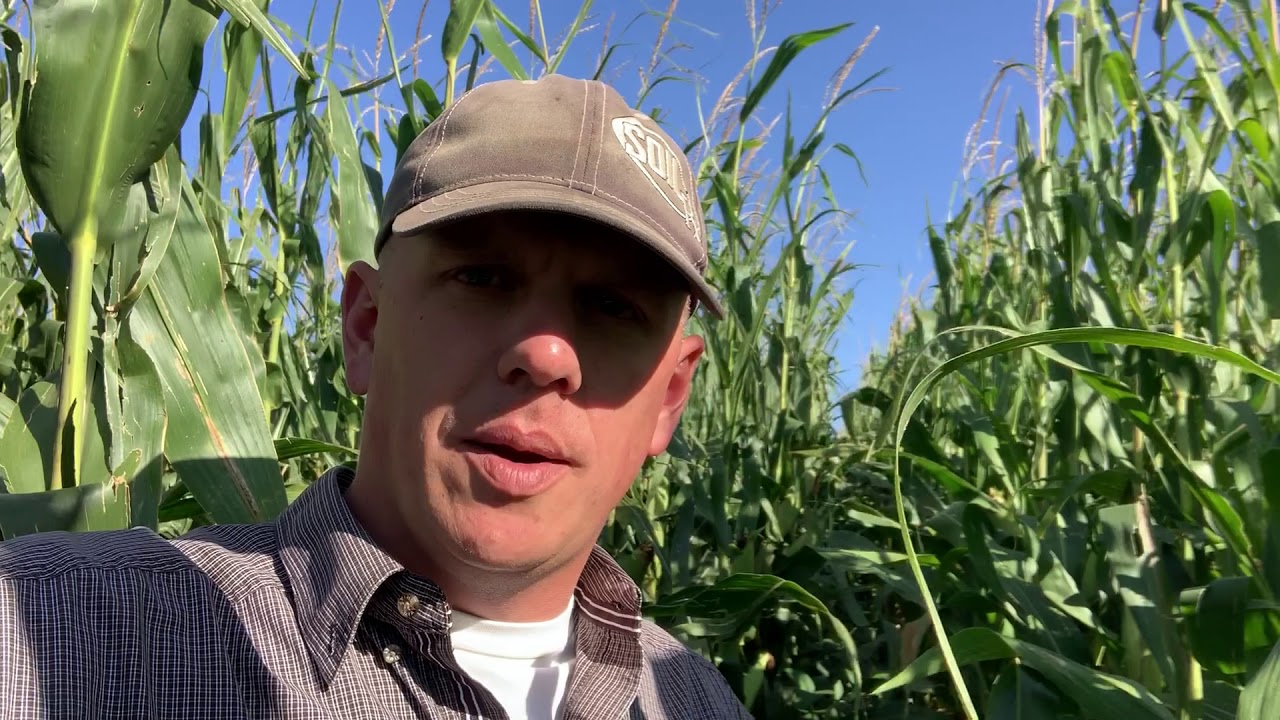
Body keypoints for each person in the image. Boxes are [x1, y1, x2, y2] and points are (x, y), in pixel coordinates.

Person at [0, 74, 753, 719]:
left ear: (670, 399)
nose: (546, 355)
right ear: (365, 326)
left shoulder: (697, 701)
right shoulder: (59, 636)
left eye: (614, 308)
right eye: (483, 277)